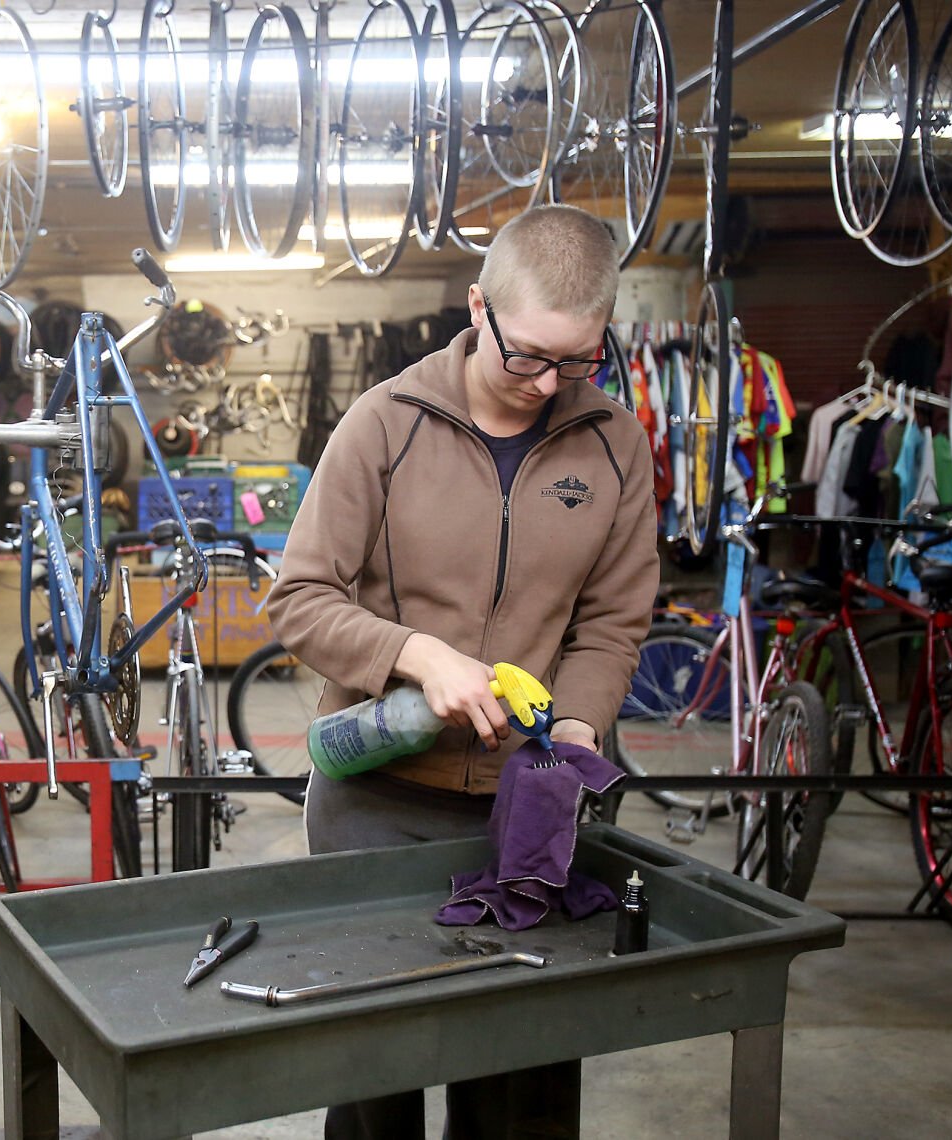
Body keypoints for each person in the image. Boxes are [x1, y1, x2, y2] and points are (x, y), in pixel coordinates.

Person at [266, 204, 659, 1139]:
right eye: (526, 355)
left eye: (576, 361)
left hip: (523, 814)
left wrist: (576, 730)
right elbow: (300, 599)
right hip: (379, 802)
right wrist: (413, 654)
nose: (546, 383)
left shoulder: (613, 443)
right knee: (378, 1074)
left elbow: (610, 623)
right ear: (477, 308)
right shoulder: (384, 424)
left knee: (518, 1078)